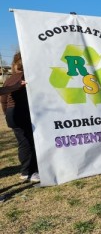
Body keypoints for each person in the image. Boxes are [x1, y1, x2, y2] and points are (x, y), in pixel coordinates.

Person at [1, 52, 40, 182]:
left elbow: (3, 100)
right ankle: (30, 172)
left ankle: (26, 171)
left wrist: (7, 114)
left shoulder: (9, 79)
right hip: (22, 113)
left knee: (23, 143)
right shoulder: (26, 77)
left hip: (12, 114)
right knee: (29, 143)